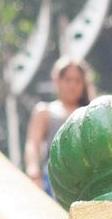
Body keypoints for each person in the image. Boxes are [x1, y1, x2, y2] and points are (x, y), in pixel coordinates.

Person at [24, 56, 92, 193]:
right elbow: (33, 143)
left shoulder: (89, 112)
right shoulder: (45, 112)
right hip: (55, 181)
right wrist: (33, 173)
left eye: (77, 81)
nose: (72, 86)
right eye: (68, 80)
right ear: (58, 81)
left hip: (86, 179)